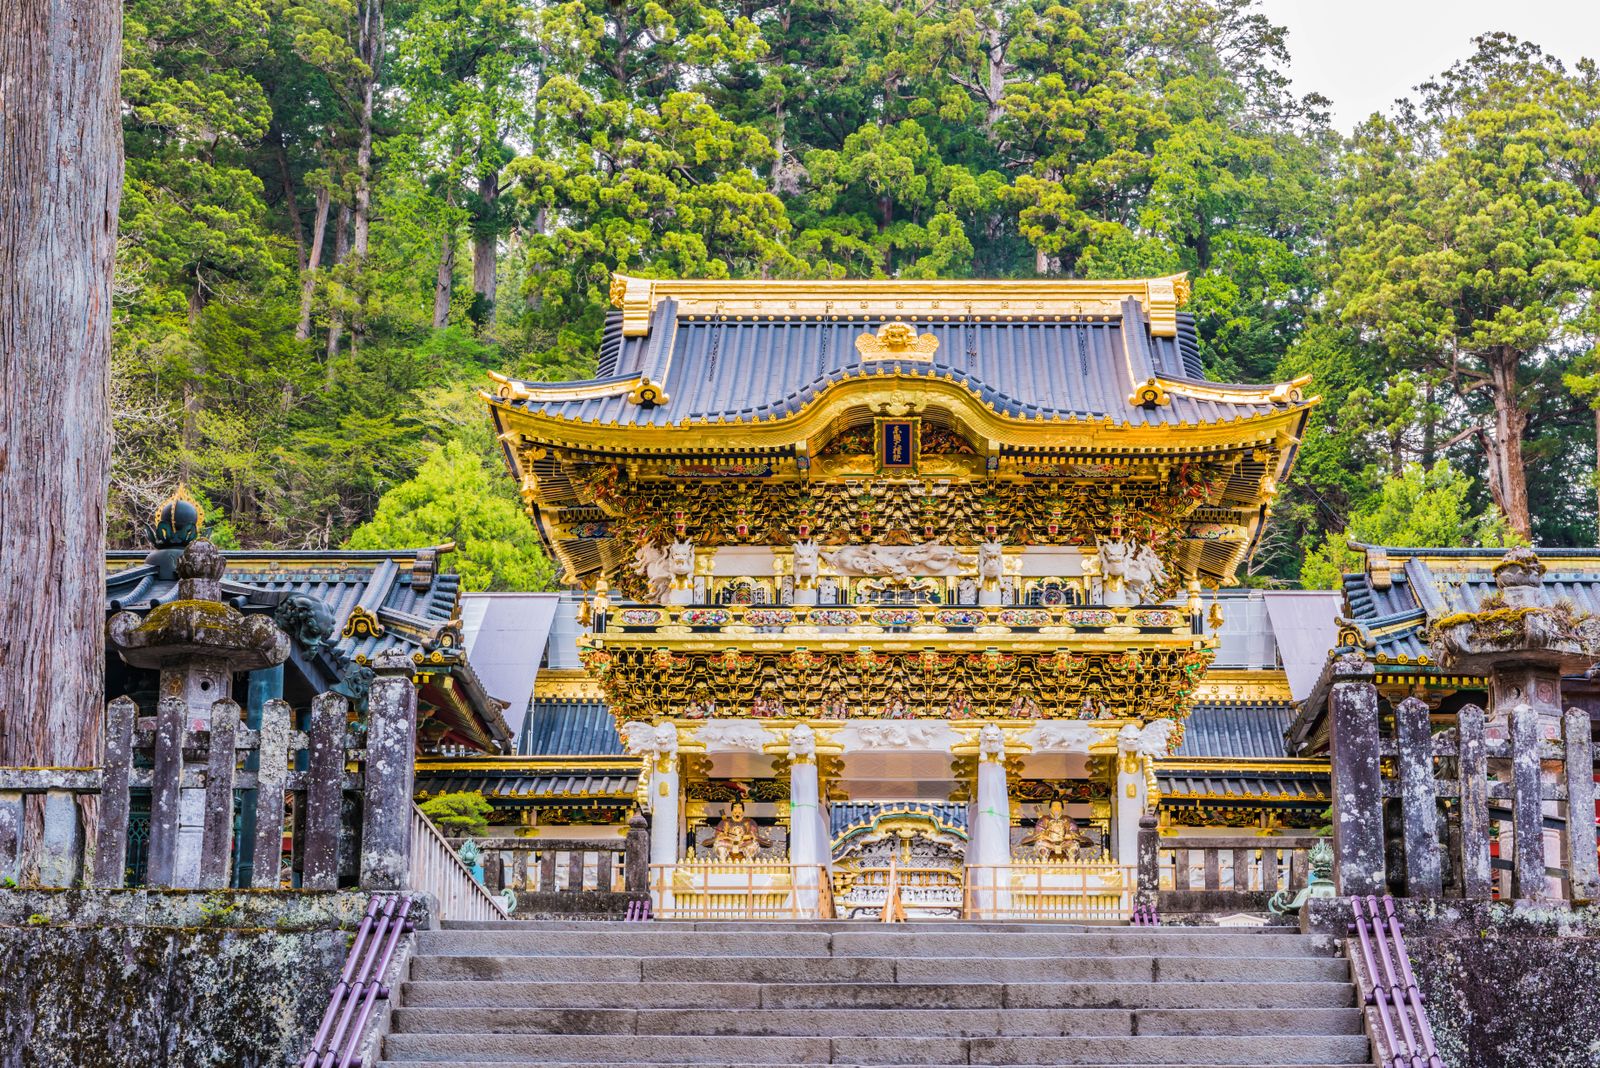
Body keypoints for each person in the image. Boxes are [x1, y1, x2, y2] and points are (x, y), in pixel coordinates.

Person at [1019, 800, 1093, 861]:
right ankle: (1044, 863)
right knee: (1040, 843)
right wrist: (1045, 837)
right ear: (1050, 808)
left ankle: (1072, 863)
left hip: (1065, 843)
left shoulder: (1068, 819)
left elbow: (1075, 833)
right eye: (1054, 806)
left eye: (1059, 806)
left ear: (1062, 808)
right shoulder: (1044, 819)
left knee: (1074, 844)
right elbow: (1038, 834)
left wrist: (1070, 836)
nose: (1056, 808)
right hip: (1048, 843)